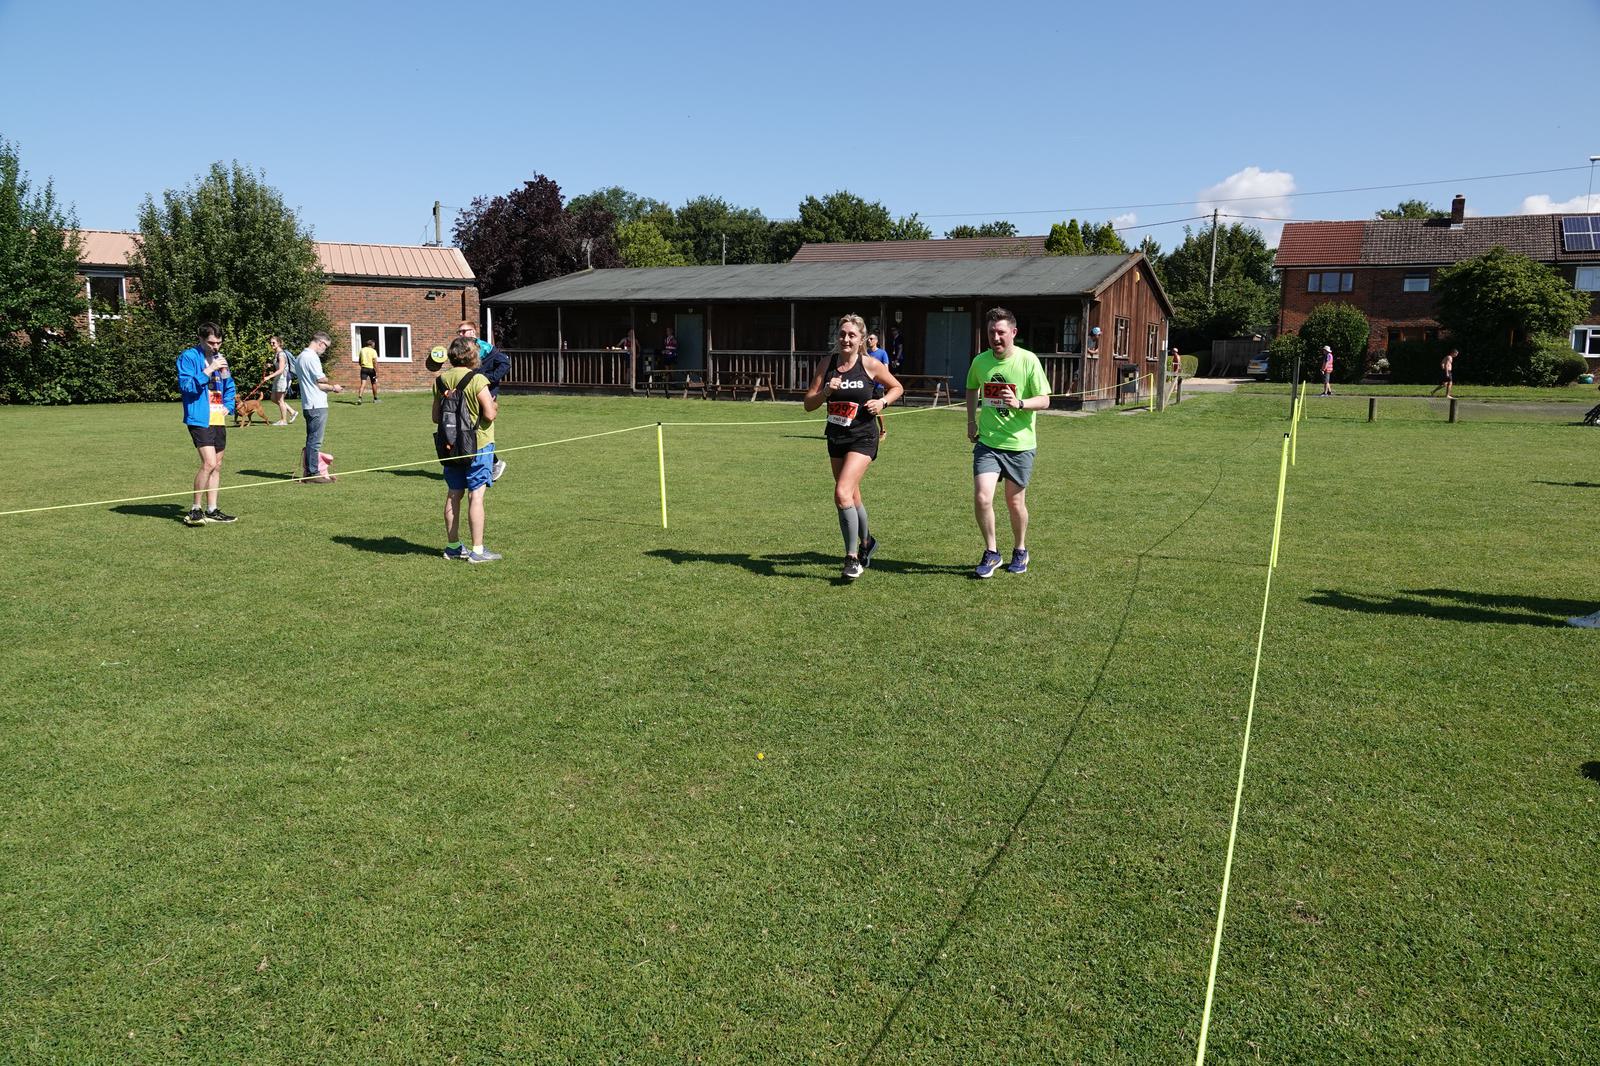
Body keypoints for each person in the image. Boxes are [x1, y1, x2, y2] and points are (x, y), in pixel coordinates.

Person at [802, 313, 903, 581]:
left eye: (852, 335)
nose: (846, 339)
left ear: (861, 340)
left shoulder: (870, 365)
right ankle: (867, 541)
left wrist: (882, 403)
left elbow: (897, 387)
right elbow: (808, 404)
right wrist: (825, 392)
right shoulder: (828, 363)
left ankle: (852, 558)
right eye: (842, 334)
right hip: (836, 436)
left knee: (842, 493)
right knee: (852, 496)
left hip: (863, 437)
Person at [967, 307, 1051, 578]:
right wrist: (971, 421)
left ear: (1013, 333)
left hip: (1019, 445)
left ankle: (1020, 549)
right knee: (982, 497)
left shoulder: (1028, 360)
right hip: (988, 442)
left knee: (1014, 503)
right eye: (991, 332)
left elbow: (1045, 400)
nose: (996, 337)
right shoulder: (980, 361)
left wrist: (1020, 403)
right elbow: (971, 388)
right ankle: (991, 552)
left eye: (1001, 332)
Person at [434, 336, 501, 563]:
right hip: (478, 445)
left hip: (450, 446)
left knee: (454, 494)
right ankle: (478, 551)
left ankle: (453, 547)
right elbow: (489, 414)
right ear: (472, 355)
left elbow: (436, 416)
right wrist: (495, 405)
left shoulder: (441, 380)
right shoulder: (477, 379)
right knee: (476, 495)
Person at [176, 323, 238, 525]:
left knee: (217, 466)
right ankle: (195, 510)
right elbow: (186, 386)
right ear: (201, 339)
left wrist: (228, 405)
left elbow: (229, 385)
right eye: (211, 342)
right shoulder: (188, 357)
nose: (216, 346)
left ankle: (212, 509)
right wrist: (209, 369)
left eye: (219, 342)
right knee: (209, 463)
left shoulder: (221, 359)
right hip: (199, 417)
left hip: (218, 417)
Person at [438, 321, 509, 482]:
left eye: (464, 331)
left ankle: (493, 462)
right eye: (459, 332)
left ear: (474, 332)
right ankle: (487, 462)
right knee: (467, 424)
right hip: (472, 388)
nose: (461, 334)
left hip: (485, 389)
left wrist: (488, 379)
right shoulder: (463, 348)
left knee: (477, 426)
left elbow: (504, 363)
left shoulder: (485, 348)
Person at [292, 332, 344, 483]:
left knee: (311, 439)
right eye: (325, 347)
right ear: (320, 342)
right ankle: (312, 473)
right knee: (315, 441)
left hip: (308, 404)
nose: (325, 350)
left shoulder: (300, 356)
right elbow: (321, 380)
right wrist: (333, 387)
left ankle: (310, 471)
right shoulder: (312, 357)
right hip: (317, 403)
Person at [258, 334, 296, 425]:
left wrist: (269, 377)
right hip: (278, 378)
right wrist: (270, 365)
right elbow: (278, 366)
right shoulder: (277, 354)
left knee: (280, 400)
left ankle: (283, 420)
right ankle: (292, 412)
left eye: (273, 343)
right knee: (273, 398)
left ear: (278, 343)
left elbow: (281, 369)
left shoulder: (281, 354)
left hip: (283, 378)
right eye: (271, 343)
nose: (271, 344)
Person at [865, 331, 890, 440]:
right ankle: (868, 431)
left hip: (878, 386)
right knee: (866, 408)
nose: (869, 341)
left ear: (876, 341)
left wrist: (884, 383)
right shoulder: (866, 353)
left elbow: (886, 369)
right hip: (867, 385)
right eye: (868, 339)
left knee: (876, 409)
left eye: (871, 339)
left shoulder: (882, 353)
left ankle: (882, 430)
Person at [355, 338, 380, 403]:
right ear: (371, 344)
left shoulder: (362, 350)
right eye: (374, 344)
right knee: (374, 383)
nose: (374, 345)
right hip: (371, 369)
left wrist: (362, 365)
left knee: (363, 384)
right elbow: (374, 361)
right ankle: (375, 399)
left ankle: (360, 398)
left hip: (363, 369)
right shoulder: (373, 351)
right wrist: (376, 371)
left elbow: (360, 361)